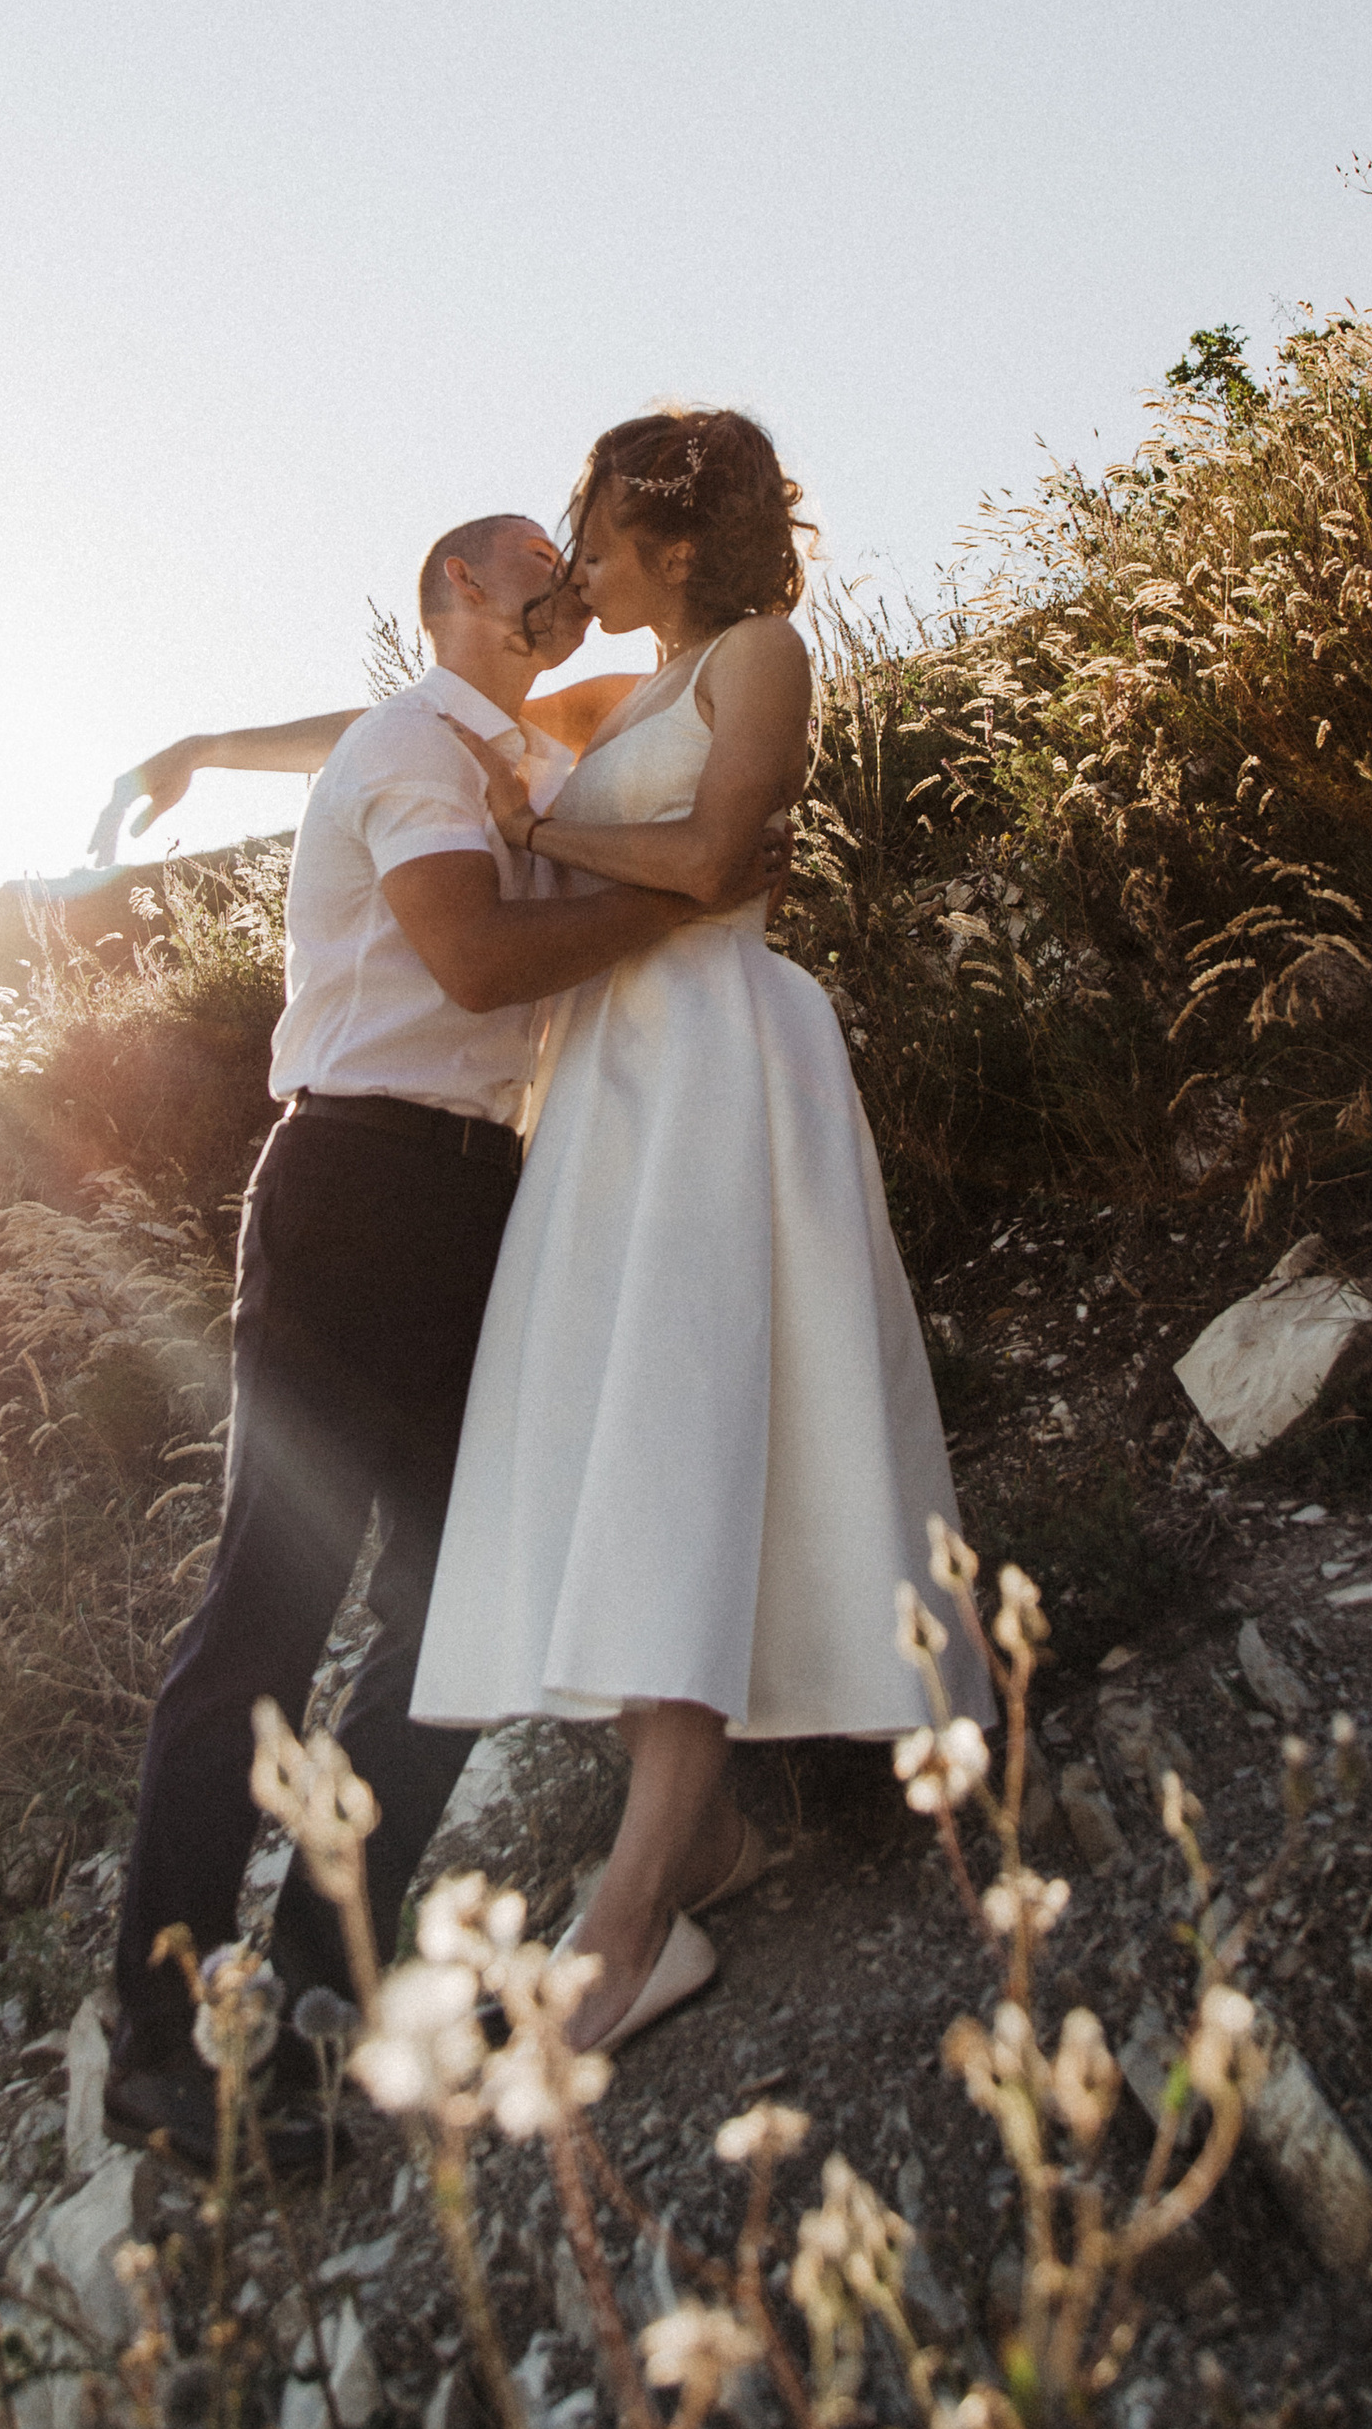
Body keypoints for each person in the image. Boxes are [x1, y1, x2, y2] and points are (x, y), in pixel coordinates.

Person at [97, 510, 761, 2171]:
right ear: (459, 587)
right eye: (533, 555)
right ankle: (160, 2051)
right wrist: (684, 904)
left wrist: (204, 746)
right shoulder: (420, 738)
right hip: (357, 1183)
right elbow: (468, 961)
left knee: (458, 1611)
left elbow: (407, 741)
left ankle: (323, 1998)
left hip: (471, 1198)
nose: (559, 579)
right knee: (270, 1611)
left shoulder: (483, 738)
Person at [412, 410, 990, 2058]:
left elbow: (722, 857)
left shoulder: (761, 656)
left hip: (723, 1065)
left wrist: (547, 838)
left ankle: (633, 1915)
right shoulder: (626, 690)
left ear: (673, 530)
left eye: (595, 529)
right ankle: (711, 1834)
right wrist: (203, 751)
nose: (580, 564)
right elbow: (439, 724)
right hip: (610, 1091)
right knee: (620, 1438)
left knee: (685, 1433)